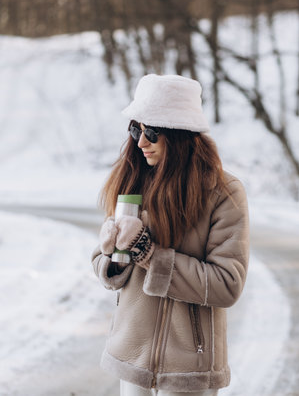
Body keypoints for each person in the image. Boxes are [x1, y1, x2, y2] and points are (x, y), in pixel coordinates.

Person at [91, 74, 249, 396]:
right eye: (136, 129)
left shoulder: (223, 193)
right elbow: (111, 274)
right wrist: (110, 257)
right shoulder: (134, 180)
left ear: (180, 135)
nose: (140, 142)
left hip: (189, 367)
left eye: (152, 132)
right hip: (131, 357)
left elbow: (227, 284)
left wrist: (149, 252)